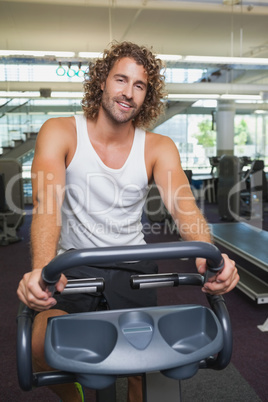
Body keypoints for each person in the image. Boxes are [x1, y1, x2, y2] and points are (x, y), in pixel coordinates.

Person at [17, 41, 239, 402]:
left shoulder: (157, 146)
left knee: (143, 365)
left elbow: (183, 205)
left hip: (133, 267)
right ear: (103, 81)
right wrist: (42, 269)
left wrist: (208, 255)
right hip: (73, 265)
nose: (128, 93)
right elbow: (47, 205)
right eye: (121, 79)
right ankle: (76, 396)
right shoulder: (60, 132)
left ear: (146, 96)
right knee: (39, 348)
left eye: (140, 85)